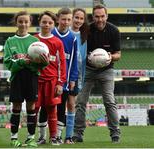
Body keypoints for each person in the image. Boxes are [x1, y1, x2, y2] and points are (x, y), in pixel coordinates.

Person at [72, 4, 121, 143]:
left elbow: (118, 54)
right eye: (97, 16)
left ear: (107, 16)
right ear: (93, 17)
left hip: (106, 70)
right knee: (80, 101)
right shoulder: (86, 29)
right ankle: (78, 134)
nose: (100, 19)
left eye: (102, 16)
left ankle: (115, 133)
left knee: (109, 101)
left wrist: (110, 56)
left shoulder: (114, 30)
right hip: (88, 70)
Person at [3, 11, 48, 147]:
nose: (23, 24)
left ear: (30, 23)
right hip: (17, 77)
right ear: (16, 22)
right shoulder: (10, 41)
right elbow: (8, 62)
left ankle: (31, 138)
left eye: (26, 21)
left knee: (32, 107)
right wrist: (23, 62)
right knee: (16, 106)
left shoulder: (35, 42)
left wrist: (44, 62)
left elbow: (42, 63)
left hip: (32, 77)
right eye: (20, 21)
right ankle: (14, 138)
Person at [37, 8, 78, 145]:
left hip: (63, 79)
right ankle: (42, 136)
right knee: (45, 107)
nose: (66, 22)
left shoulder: (72, 38)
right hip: (48, 78)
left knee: (61, 108)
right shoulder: (49, 33)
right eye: (63, 19)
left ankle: (58, 136)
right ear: (58, 20)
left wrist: (72, 78)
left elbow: (72, 60)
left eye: (68, 19)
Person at [34, 11, 66, 145]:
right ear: (39, 22)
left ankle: (53, 137)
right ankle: (34, 137)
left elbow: (62, 64)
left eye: (50, 22)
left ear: (54, 24)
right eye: (44, 22)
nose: (46, 25)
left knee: (52, 110)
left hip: (52, 81)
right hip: (35, 81)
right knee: (33, 109)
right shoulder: (33, 40)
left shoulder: (57, 42)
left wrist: (60, 83)